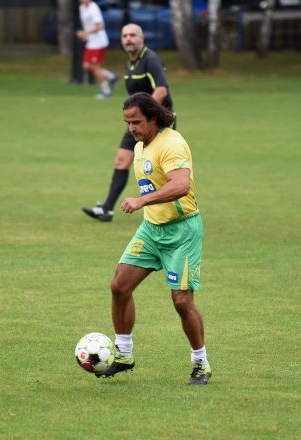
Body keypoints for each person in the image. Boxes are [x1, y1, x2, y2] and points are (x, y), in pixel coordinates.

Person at [95, 92, 211, 385]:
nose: (131, 128)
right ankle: (123, 354)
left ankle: (201, 363)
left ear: (153, 118)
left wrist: (141, 201)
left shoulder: (171, 143)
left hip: (182, 230)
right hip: (151, 229)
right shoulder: (139, 146)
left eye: (136, 122)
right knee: (119, 285)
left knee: (182, 301)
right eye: (127, 123)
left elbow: (181, 185)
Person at [82, 23, 173, 221]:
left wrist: (146, 114)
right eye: (125, 36)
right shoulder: (130, 62)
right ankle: (107, 209)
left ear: (142, 38)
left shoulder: (150, 59)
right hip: (138, 123)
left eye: (133, 35)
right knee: (121, 160)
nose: (128, 39)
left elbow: (161, 90)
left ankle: (170, 210)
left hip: (156, 123)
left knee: (159, 168)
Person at [76, 0, 118, 99]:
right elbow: (87, 25)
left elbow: (99, 26)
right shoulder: (81, 8)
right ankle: (112, 76)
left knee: (95, 67)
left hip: (98, 42)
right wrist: (85, 35)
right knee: (86, 66)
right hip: (91, 42)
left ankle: (106, 91)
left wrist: (86, 32)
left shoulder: (93, 7)